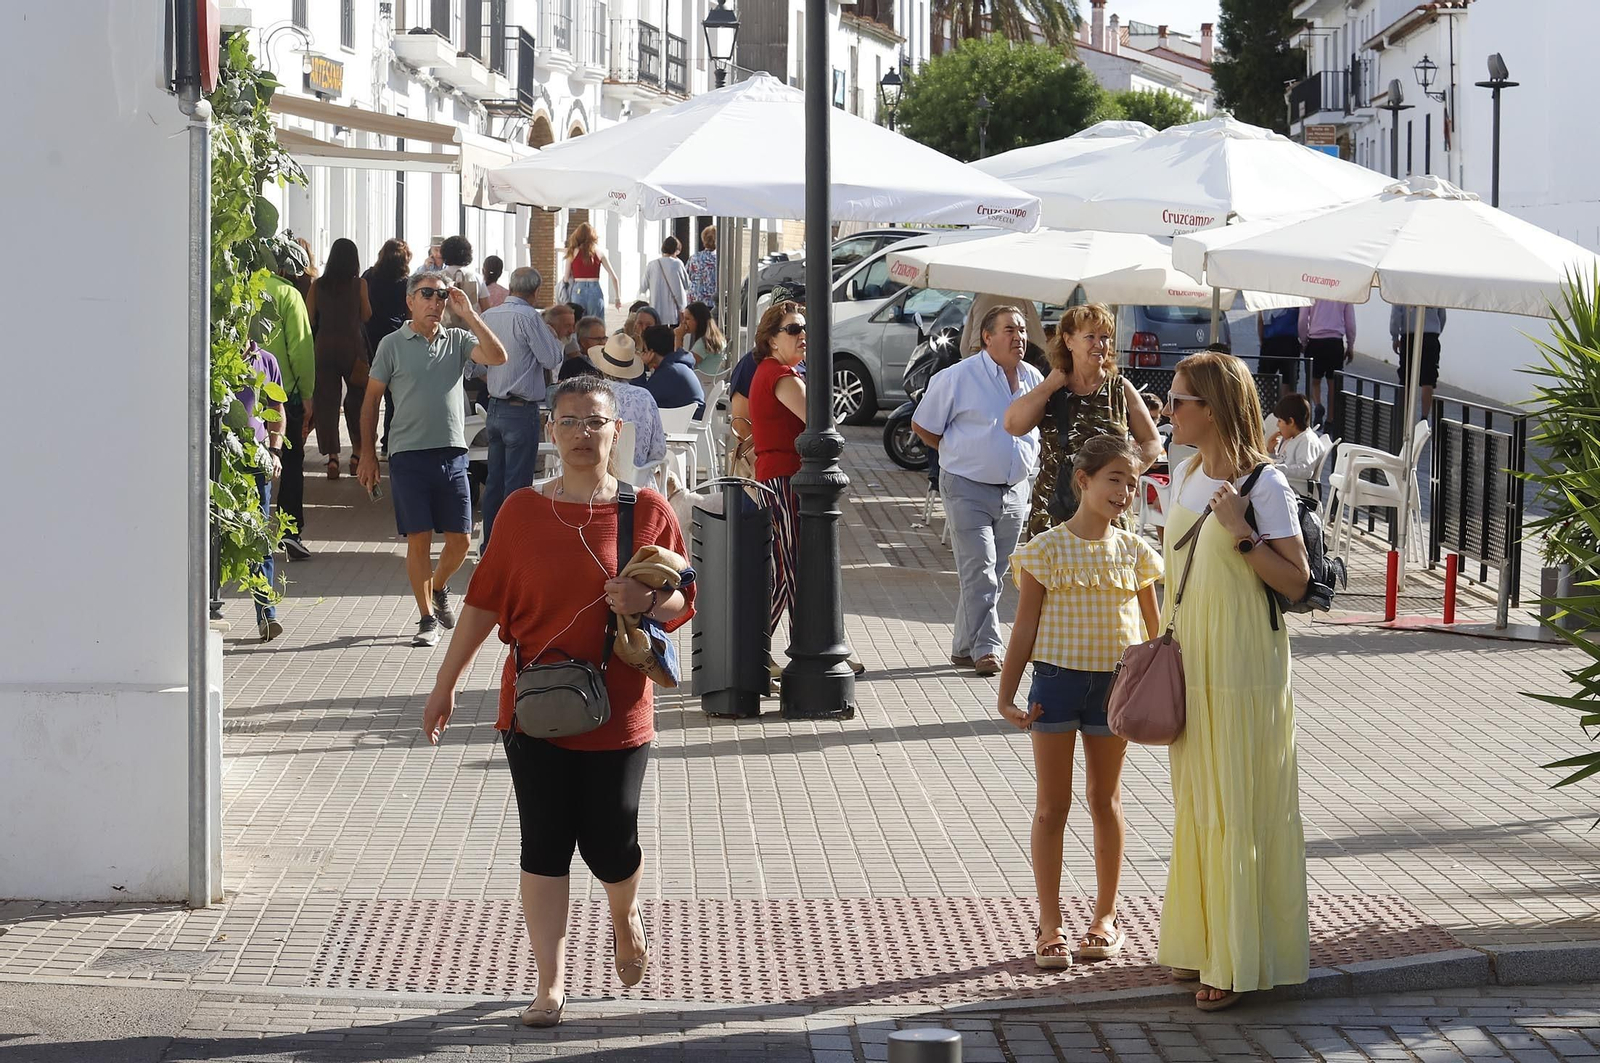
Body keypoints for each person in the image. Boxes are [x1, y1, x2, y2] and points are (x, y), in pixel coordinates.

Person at [422, 374, 694, 1029]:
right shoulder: (520, 511)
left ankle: (624, 917)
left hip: (620, 710)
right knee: (544, 843)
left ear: (616, 431)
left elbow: (685, 595)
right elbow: (483, 603)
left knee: (611, 840)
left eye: (594, 421)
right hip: (534, 707)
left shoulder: (644, 509)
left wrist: (647, 599)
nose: (581, 434)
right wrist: (445, 683)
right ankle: (550, 983)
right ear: (550, 430)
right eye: (569, 421)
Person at [1158, 350, 1312, 1011]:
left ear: (1213, 409)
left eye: (1179, 400)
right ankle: (1202, 940)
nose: (1169, 409)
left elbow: (1298, 582)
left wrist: (1243, 533)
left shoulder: (1264, 483)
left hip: (1244, 665)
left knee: (1238, 801)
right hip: (1192, 658)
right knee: (1198, 800)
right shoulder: (1185, 470)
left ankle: (1236, 955)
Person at [997, 435, 1162, 970]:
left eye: (1132, 483)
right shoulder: (1044, 550)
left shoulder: (1136, 552)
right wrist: (1006, 695)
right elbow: (1023, 628)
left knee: (1105, 800)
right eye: (1115, 479)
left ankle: (1105, 918)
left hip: (1115, 689)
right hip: (1055, 684)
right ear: (1084, 480)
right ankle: (1049, 925)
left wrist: (1166, 692)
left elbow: (1157, 635)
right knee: (1052, 806)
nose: (1125, 492)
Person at [357, 273, 509, 647]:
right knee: (419, 539)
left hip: (452, 453)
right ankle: (427, 618)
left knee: (462, 540)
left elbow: (497, 357)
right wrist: (367, 454)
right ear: (410, 301)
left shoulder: (457, 339)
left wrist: (469, 313)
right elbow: (371, 400)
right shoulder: (391, 344)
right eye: (427, 294)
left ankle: (438, 586)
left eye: (441, 296)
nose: (435, 302)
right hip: (407, 454)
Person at [913, 305, 1043, 677]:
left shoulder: (1034, 377)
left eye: (1022, 330)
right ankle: (987, 649)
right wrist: (958, 452)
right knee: (981, 570)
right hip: (966, 487)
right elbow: (923, 425)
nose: (1019, 337)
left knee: (992, 573)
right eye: (1009, 330)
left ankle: (963, 646)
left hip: (1015, 489)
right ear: (987, 337)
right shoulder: (958, 376)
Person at [1003, 304, 1162, 540]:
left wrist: (1127, 474)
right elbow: (1012, 425)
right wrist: (1049, 385)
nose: (1099, 344)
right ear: (1068, 341)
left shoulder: (1119, 388)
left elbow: (1152, 442)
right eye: (1090, 337)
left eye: (1105, 337)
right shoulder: (1052, 390)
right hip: (1055, 513)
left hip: (1109, 514)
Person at [481, 267, 567, 547]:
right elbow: (551, 358)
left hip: (495, 406)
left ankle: (490, 545)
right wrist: (554, 338)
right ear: (536, 291)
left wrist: (498, 378)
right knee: (517, 486)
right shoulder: (529, 317)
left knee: (495, 483)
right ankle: (511, 548)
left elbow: (474, 364)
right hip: (520, 410)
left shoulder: (489, 315)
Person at [749, 302, 808, 635]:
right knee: (793, 566)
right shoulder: (780, 375)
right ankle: (795, 641)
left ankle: (759, 645)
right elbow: (820, 420)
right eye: (793, 329)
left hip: (777, 476)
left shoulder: (773, 371)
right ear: (772, 339)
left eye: (804, 328)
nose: (803, 335)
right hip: (783, 477)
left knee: (788, 567)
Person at [260, 247, 315, 561]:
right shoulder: (289, 295)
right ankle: (289, 531)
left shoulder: (247, 287)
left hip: (244, 390)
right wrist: (307, 394)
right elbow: (301, 349)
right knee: (291, 461)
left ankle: (251, 527)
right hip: (283, 394)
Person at [306, 237, 373, 480]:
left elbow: (309, 317)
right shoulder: (360, 284)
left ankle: (333, 457)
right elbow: (367, 315)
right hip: (352, 348)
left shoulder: (317, 285)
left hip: (324, 348)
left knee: (326, 402)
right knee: (357, 399)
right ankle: (356, 453)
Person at [237, 341, 288, 642]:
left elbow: (277, 408)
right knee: (211, 538)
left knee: (259, 538)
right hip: (220, 458)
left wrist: (274, 451)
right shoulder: (214, 356)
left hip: (256, 459)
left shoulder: (266, 360)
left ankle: (267, 615)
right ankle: (209, 609)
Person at [587, 333, 667, 471]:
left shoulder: (590, 394)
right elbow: (658, 451)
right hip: (638, 479)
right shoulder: (645, 397)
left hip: (594, 478)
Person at [364, 239, 413, 456]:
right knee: (394, 394)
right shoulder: (406, 283)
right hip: (395, 337)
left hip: (370, 337)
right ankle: (389, 442)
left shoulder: (368, 276)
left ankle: (365, 442)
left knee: (371, 392)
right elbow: (409, 315)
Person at [1298, 298, 1356, 427]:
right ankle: (1330, 420)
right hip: (1335, 342)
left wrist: (1304, 341)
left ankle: (1318, 405)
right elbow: (1350, 321)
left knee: (1314, 381)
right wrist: (1350, 345)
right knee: (1333, 384)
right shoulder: (1344, 291)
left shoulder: (1311, 289)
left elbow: (1302, 319)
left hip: (1315, 341)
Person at [1390, 304, 1448, 419]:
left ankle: (1404, 416)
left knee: (1406, 379)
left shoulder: (1404, 291)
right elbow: (1442, 315)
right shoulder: (1435, 292)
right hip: (1430, 336)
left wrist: (1395, 336)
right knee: (1428, 380)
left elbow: (1396, 314)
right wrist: (1435, 331)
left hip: (1409, 335)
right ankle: (1424, 417)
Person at [1267, 394, 1328, 496]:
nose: (1277, 425)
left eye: (1280, 421)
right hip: (1287, 487)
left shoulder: (1307, 441)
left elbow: (1305, 470)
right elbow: (1284, 461)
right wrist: (1272, 453)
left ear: (1291, 421)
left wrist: (1276, 468)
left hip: (1296, 493)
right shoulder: (1294, 438)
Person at [640, 324, 705, 417]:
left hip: (685, 421)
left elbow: (640, 399)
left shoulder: (669, 372)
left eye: (644, 350)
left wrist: (640, 368)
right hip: (690, 416)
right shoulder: (676, 366)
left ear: (651, 352)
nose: (642, 354)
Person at [562, 222, 623, 318]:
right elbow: (614, 277)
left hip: (578, 289)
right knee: (596, 323)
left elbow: (566, 278)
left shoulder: (572, 252)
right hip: (595, 290)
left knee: (578, 322)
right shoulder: (599, 252)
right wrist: (617, 298)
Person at [1257, 306, 1302, 399]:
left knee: (1266, 378)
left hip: (1270, 341)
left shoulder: (1267, 301)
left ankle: (1270, 402)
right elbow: (1302, 320)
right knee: (1288, 379)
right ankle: (1285, 404)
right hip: (1290, 342)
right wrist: (1303, 341)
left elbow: (1260, 321)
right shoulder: (1295, 301)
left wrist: (1261, 340)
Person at [438, 235, 482, 329]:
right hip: (471, 330)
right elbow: (485, 307)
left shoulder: (437, 278)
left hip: (444, 329)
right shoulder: (476, 277)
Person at [643, 237, 690, 323]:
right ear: (676, 250)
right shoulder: (678, 264)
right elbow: (687, 284)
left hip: (656, 311)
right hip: (673, 313)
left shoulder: (651, 264)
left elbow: (643, 287)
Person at [676, 301, 727, 375]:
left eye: (687, 319)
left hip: (703, 381)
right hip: (715, 380)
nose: (683, 322)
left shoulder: (704, 342)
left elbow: (681, 364)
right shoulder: (716, 337)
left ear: (698, 320)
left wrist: (678, 337)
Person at [561, 316, 608, 381]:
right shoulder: (572, 367)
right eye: (598, 339)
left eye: (604, 338)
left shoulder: (610, 363)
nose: (602, 343)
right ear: (583, 342)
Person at [687, 225, 718, 312]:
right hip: (712, 301)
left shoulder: (694, 257)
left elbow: (688, 275)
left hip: (695, 298)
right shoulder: (719, 259)